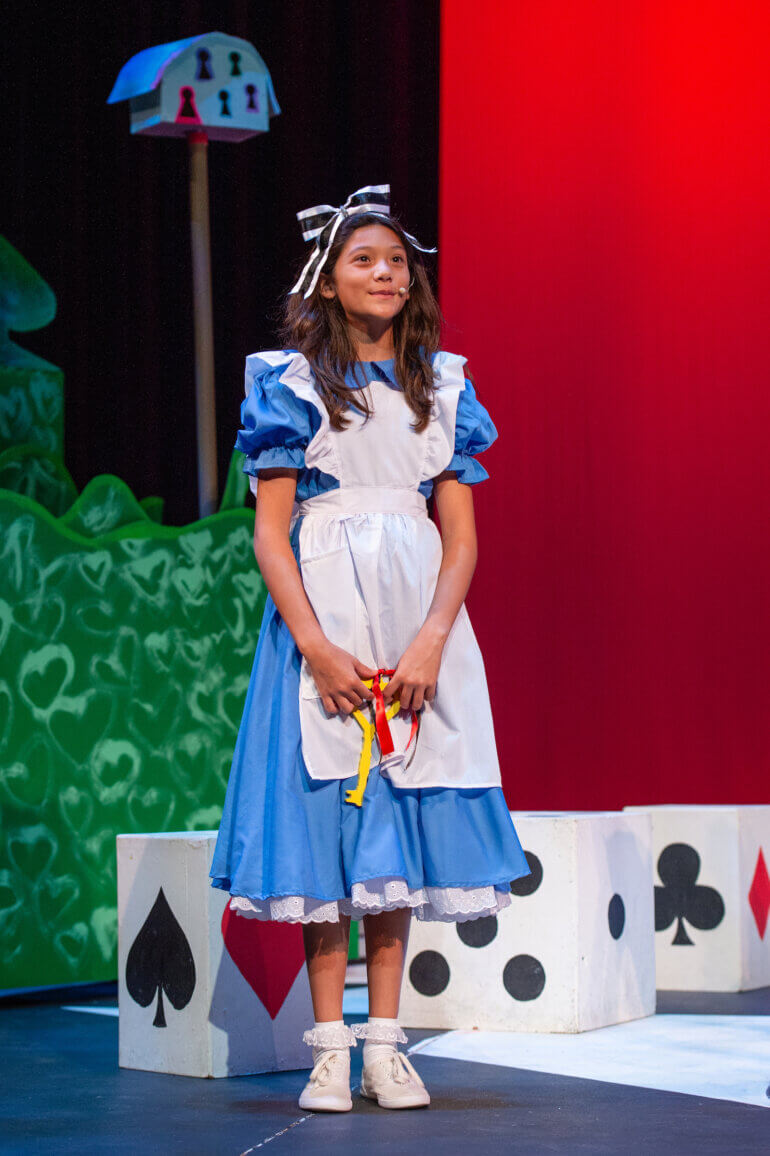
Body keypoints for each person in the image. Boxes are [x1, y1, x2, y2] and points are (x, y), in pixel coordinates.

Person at [210, 184, 530, 1112]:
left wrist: (432, 642)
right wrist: (313, 645)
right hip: (324, 630)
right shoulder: (290, 383)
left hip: (417, 627)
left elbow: (460, 538)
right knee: (328, 825)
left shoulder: (444, 386)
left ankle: (387, 1048)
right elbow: (271, 534)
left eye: (397, 261)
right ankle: (328, 1050)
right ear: (328, 278)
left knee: (399, 831)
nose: (386, 273)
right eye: (364, 259)